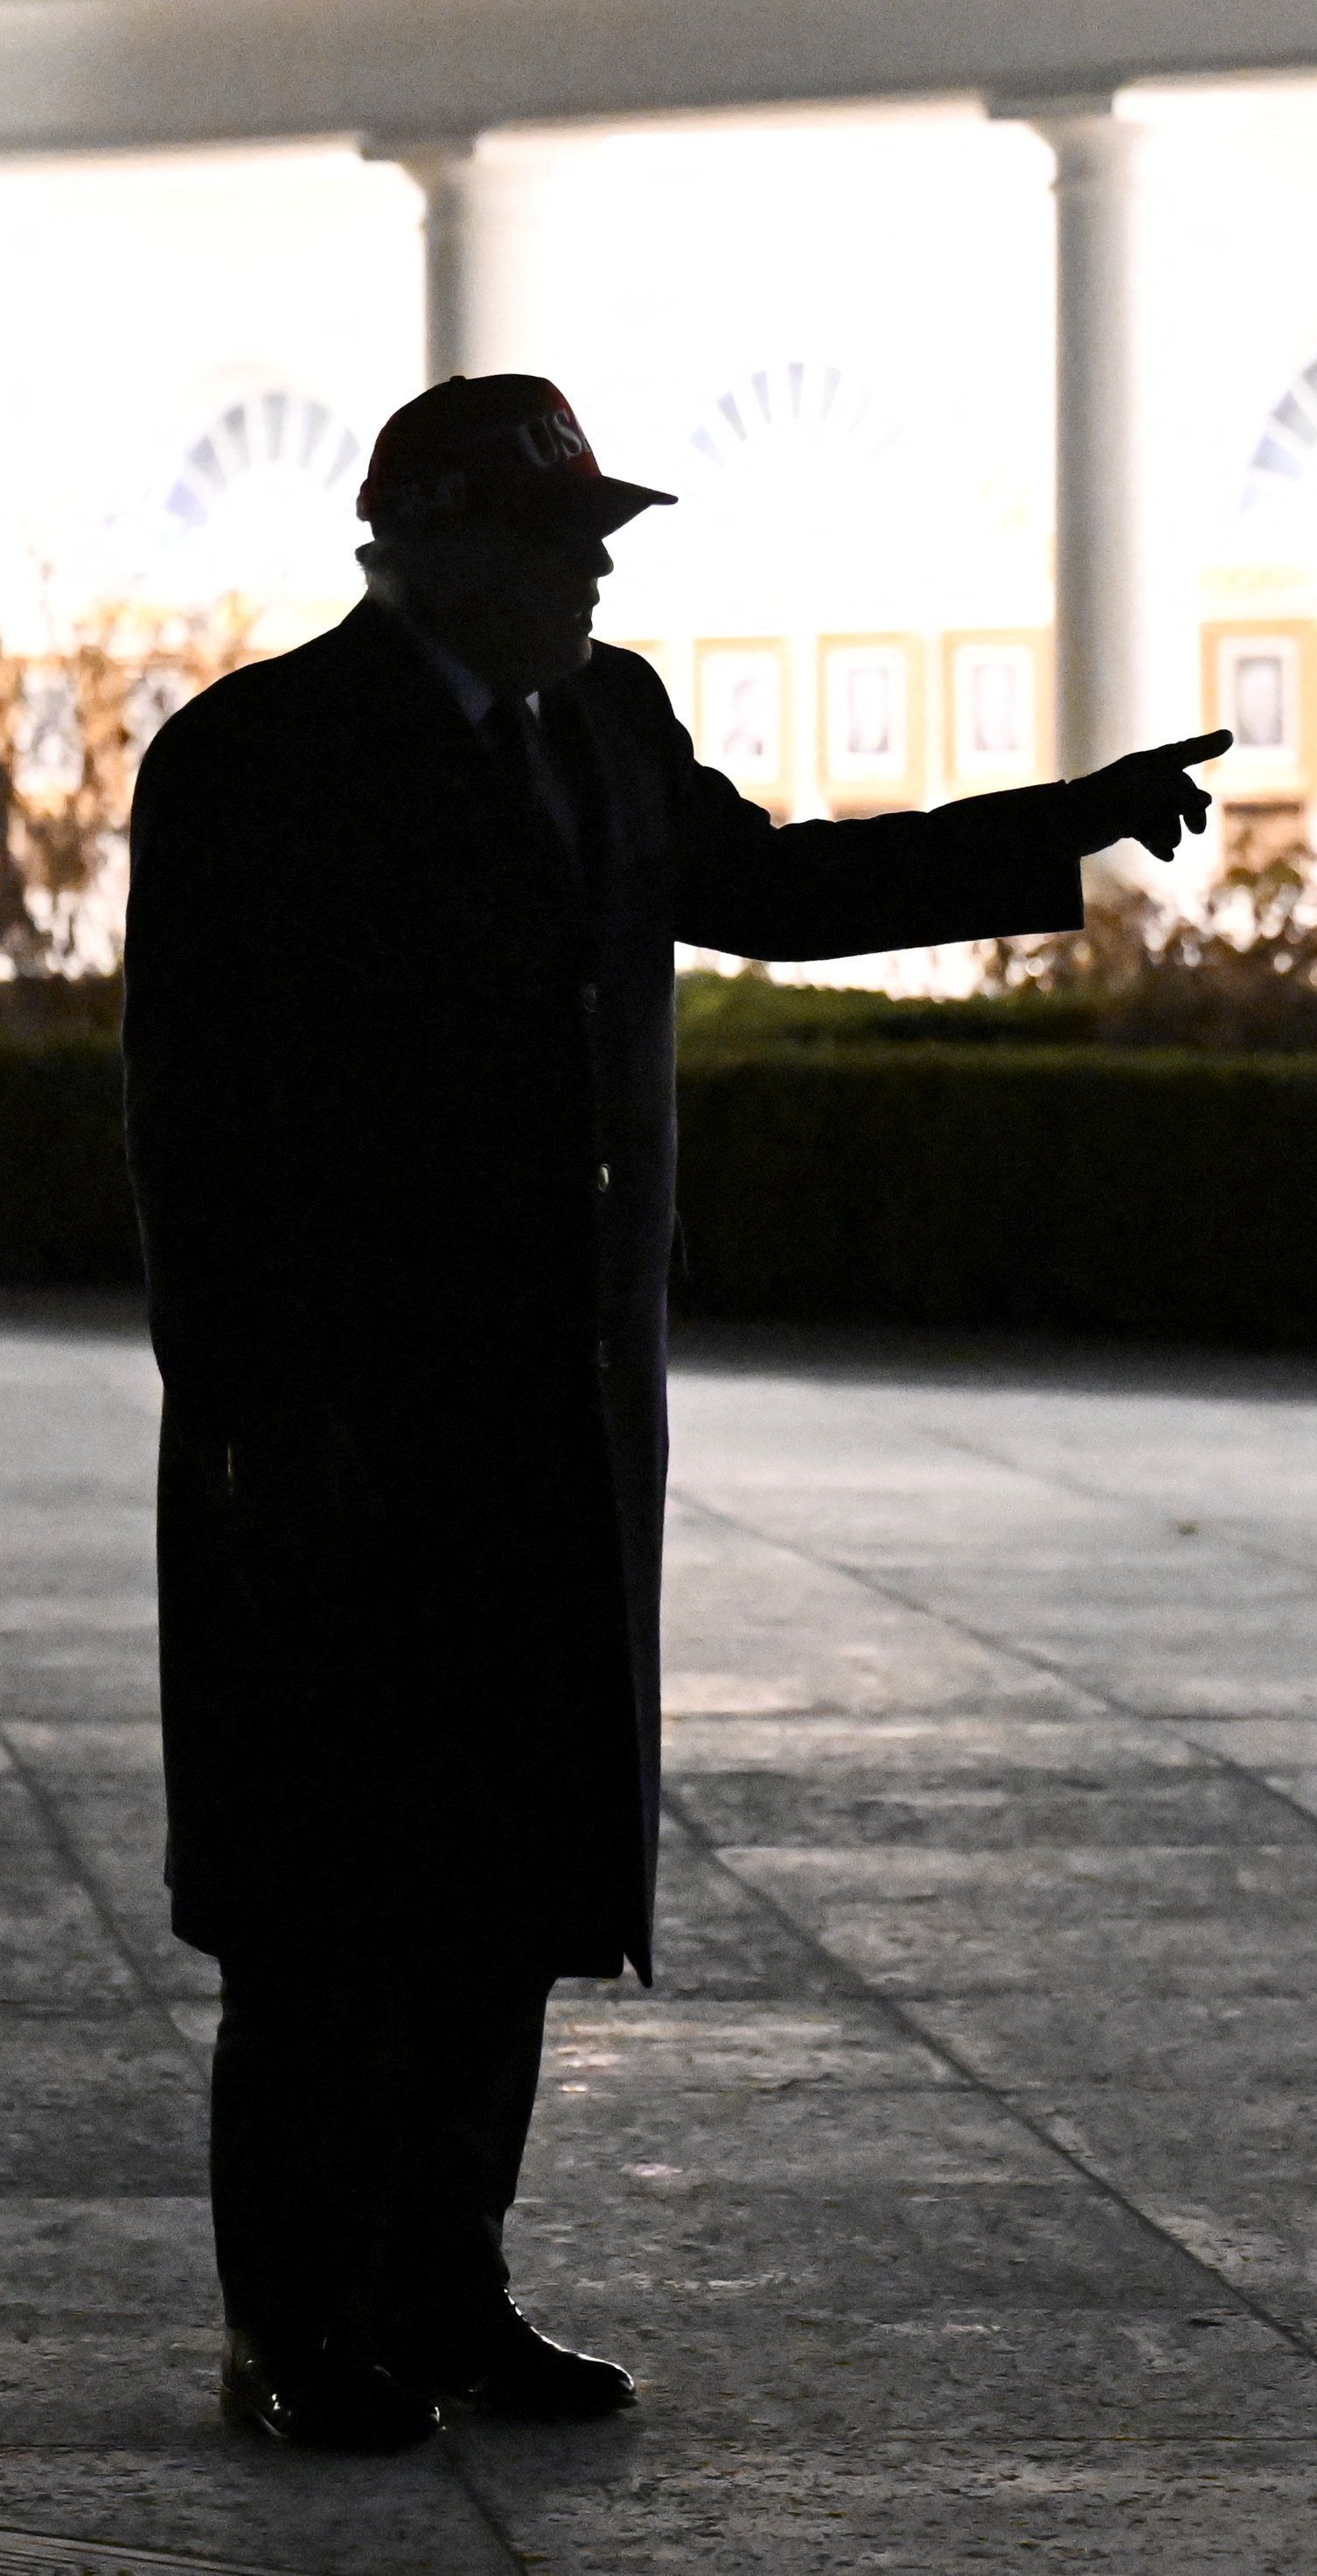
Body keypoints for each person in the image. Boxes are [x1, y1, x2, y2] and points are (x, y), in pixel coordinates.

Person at [120, 374, 1224, 2454]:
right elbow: (194, 1115)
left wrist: (1059, 819)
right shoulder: (259, 755)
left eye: (597, 536)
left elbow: (775, 886)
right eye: (560, 538)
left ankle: (449, 2283)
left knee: (506, 1863)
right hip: (345, 1416)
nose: (597, 567)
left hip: (555, 1407)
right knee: (329, 1885)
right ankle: (297, 2315)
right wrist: (260, 1399)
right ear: (429, 546)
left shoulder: (603, 720)